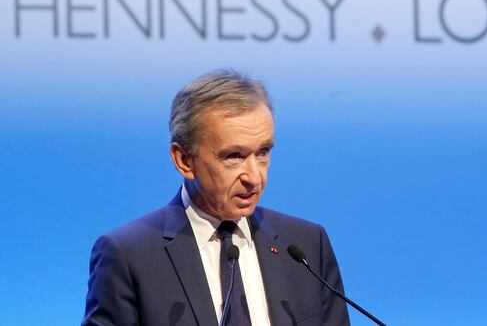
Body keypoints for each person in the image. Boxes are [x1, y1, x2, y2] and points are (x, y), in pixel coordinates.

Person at [82, 70, 350, 326]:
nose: (254, 177)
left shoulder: (307, 245)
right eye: (234, 156)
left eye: (263, 152)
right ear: (184, 160)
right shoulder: (128, 256)